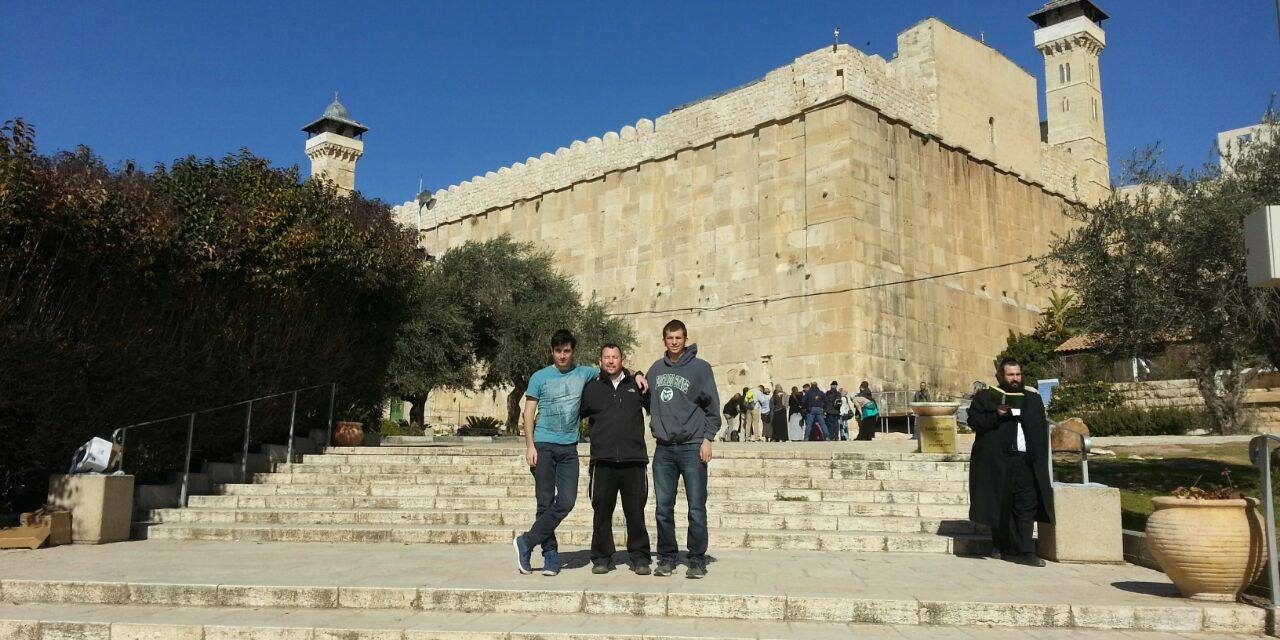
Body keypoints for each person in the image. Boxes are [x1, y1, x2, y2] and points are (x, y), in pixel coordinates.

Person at [513, 329, 647, 576]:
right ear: (552, 352)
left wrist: (637, 373)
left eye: (567, 351)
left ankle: (526, 541)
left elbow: (613, 368)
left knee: (566, 501)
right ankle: (550, 556)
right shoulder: (539, 377)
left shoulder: (585, 373)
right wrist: (530, 445)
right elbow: (528, 412)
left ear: (572, 352)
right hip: (543, 445)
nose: (562, 355)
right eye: (558, 351)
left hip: (568, 448)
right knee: (544, 502)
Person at [647, 319, 720, 579]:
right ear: (664, 340)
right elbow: (646, 399)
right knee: (663, 508)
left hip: (692, 447)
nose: (674, 342)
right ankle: (667, 557)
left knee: (696, 508)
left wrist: (707, 439)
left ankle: (697, 559)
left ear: (685, 340)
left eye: (678, 338)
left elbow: (712, 407)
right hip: (664, 449)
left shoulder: (700, 368)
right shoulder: (655, 369)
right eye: (670, 338)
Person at [967, 357, 1054, 567]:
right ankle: (1003, 546)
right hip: (999, 462)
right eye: (1010, 375)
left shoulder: (1032, 399)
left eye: (1018, 374)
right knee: (1001, 504)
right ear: (1000, 376)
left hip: (1026, 461)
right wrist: (997, 414)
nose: (1015, 379)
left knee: (1026, 505)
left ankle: (1025, 551)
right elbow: (975, 422)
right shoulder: (986, 398)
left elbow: (1039, 429)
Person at [579, 344, 651, 575]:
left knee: (636, 513)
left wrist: (638, 374)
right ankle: (601, 557)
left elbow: (655, 408)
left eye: (615, 357)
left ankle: (640, 557)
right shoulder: (591, 388)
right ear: (600, 360)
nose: (611, 361)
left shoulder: (637, 385)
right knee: (601, 513)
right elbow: (575, 414)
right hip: (603, 461)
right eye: (606, 357)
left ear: (622, 359)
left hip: (634, 461)